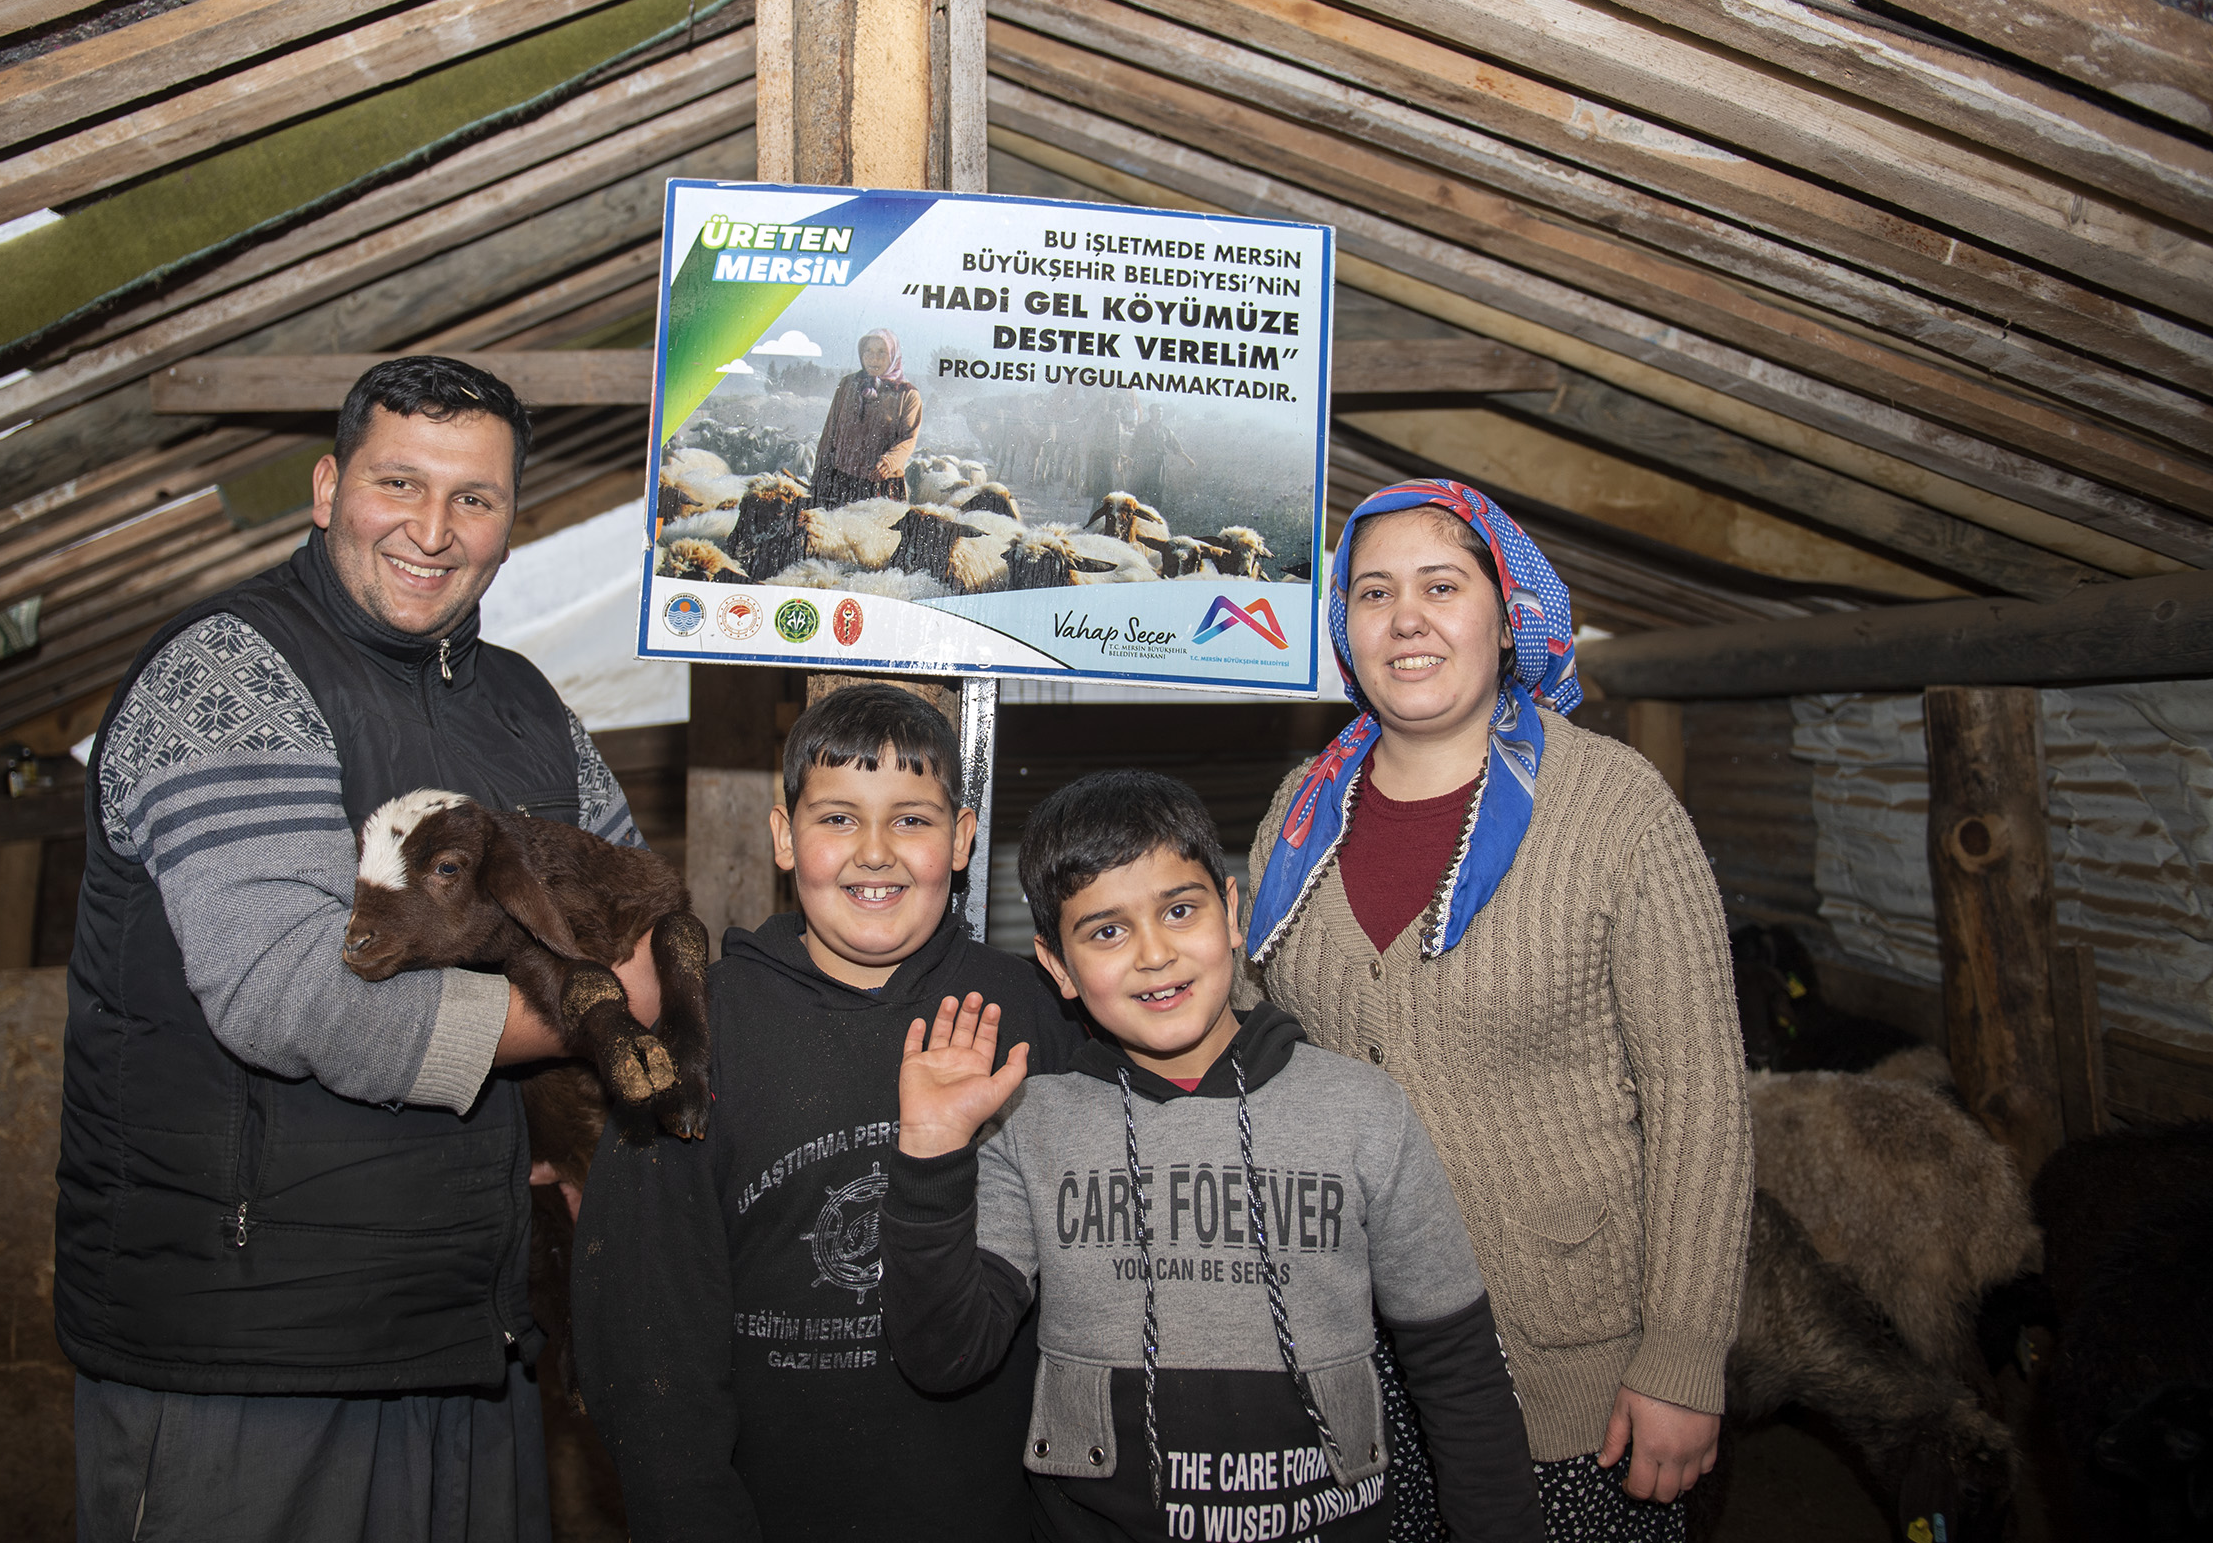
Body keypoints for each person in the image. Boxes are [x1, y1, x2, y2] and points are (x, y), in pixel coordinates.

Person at [57, 355, 658, 1543]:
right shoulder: (229, 673)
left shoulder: (531, 708)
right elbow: (289, 990)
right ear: (327, 486)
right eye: (399, 483)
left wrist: (588, 1138)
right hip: (253, 1340)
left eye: (473, 499)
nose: (432, 530)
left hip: (468, 1321)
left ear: (509, 521)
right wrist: (581, 1018)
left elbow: (628, 912)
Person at [1243, 479, 1752, 1542]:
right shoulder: (1298, 815)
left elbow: (1699, 1100)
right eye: (1372, 592)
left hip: (1565, 1370)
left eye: (1441, 583)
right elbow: (1243, 1050)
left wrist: (1684, 1356)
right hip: (1347, 1357)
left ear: (1506, 610)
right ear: (1344, 627)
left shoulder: (1615, 807)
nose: (1407, 618)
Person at [880, 770, 1544, 1543]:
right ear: (1056, 967)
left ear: (1231, 912)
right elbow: (944, 1355)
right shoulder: (1030, 1126)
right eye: (1105, 931)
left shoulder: (1365, 1113)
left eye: (1179, 909)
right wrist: (929, 1150)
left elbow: (1459, 1371)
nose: (1155, 954)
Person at [571, 684, 1086, 1541]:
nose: (875, 853)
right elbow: (647, 1342)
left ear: (961, 840)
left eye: (913, 820)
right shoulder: (700, 1040)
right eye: (839, 818)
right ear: (784, 837)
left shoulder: (1035, 1020)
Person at [811, 328, 921, 508]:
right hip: (842, 480)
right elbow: (829, 432)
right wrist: (819, 476)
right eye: (868, 351)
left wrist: (890, 461)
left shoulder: (907, 394)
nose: (873, 358)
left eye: (881, 352)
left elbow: (909, 439)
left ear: (893, 355)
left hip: (882, 484)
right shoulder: (848, 385)